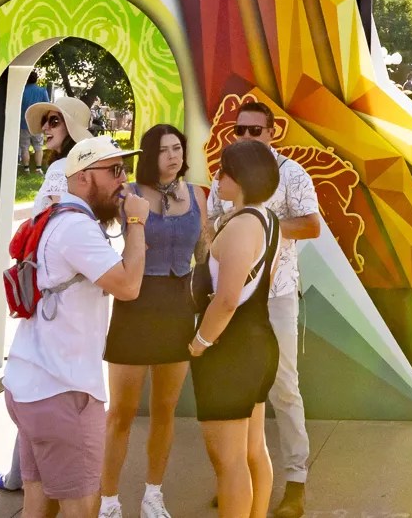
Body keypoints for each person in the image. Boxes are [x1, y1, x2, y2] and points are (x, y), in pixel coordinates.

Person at [6, 134, 151, 518]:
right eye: (114, 170)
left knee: (39, 504)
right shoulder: (76, 228)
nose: (124, 180)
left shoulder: (55, 217)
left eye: (125, 169)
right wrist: (136, 222)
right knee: (82, 506)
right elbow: (128, 286)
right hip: (64, 393)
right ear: (84, 177)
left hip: (31, 386)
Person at [206, 99, 321, 518]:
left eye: (256, 130)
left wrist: (261, 227)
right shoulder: (227, 176)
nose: (248, 137)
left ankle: (295, 481)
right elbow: (211, 227)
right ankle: (235, 478)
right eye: (241, 130)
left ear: (273, 132)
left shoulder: (291, 174)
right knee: (235, 390)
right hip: (231, 299)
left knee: (283, 387)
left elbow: (311, 224)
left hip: (277, 296)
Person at [99, 125, 201, 518]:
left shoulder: (197, 194)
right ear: (148, 156)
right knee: (121, 412)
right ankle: (109, 500)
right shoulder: (129, 195)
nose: (173, 157)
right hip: (136, 307)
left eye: (178, 148)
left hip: (179, 307)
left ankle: (153, 495)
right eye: (163, 151)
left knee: (166, 408)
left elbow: (206, 252)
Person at [193, 138, 285, 518]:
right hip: (258, 343)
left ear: (241, 178)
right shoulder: (267, 219)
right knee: (252, 450)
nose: (216, 177)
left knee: (228, 462)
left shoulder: (243, 226)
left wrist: (200, 341)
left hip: (229, 352)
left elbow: (227, 298)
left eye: (223, 171)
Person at [28, 96, 96, 213]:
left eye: (54, 121)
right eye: (45, 120)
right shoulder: (87, 165)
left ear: (70, 129)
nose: (44, 127)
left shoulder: (60, 168)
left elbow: (57, 218)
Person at [21, 72, 52, 173]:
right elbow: (47, 106)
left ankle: (26, 169)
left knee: (24, 147)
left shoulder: (21, 91)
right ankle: (38, 168)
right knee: (38, 147)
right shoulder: (42, 91)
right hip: (37, 123)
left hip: (23, 123)